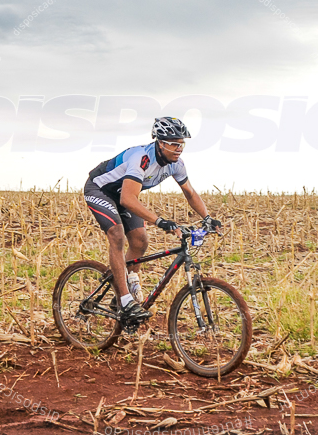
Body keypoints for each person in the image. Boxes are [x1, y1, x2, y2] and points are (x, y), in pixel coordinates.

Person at [83, 116, 221, 327]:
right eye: (174, 144)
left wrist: (208, 218)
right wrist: (161, 221)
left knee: (140, 241)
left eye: (182, 144)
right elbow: (127, 199)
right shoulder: (142, 158)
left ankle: (124, 292)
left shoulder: (176, 164)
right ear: (160, 142)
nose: (179, 149)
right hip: (100, 190)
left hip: (123, 195)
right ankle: (125, 299)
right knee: (117, 235)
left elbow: (190, 193)